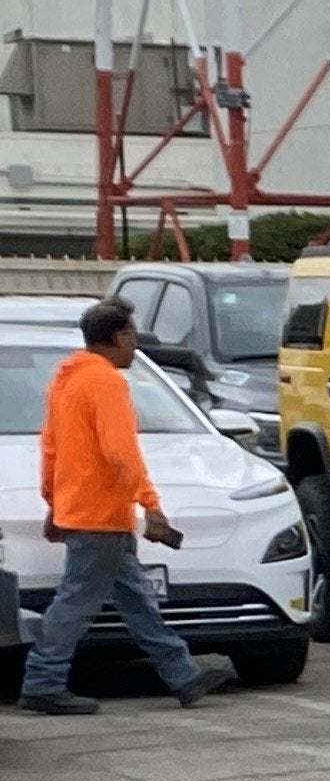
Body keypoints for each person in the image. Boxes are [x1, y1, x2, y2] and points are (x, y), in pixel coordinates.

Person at [19, 297, 225, 718]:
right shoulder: (106, 383)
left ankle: (182, 674)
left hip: (84, 511)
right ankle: (43, 681)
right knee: (76, 602)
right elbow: (121, 452)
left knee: (134, 599)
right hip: (100, 515)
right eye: (132, 335)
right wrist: (151, 505)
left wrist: (54, 504)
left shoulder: (66, 381)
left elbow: (51, 448)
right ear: (118, 337)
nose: (135, 345)